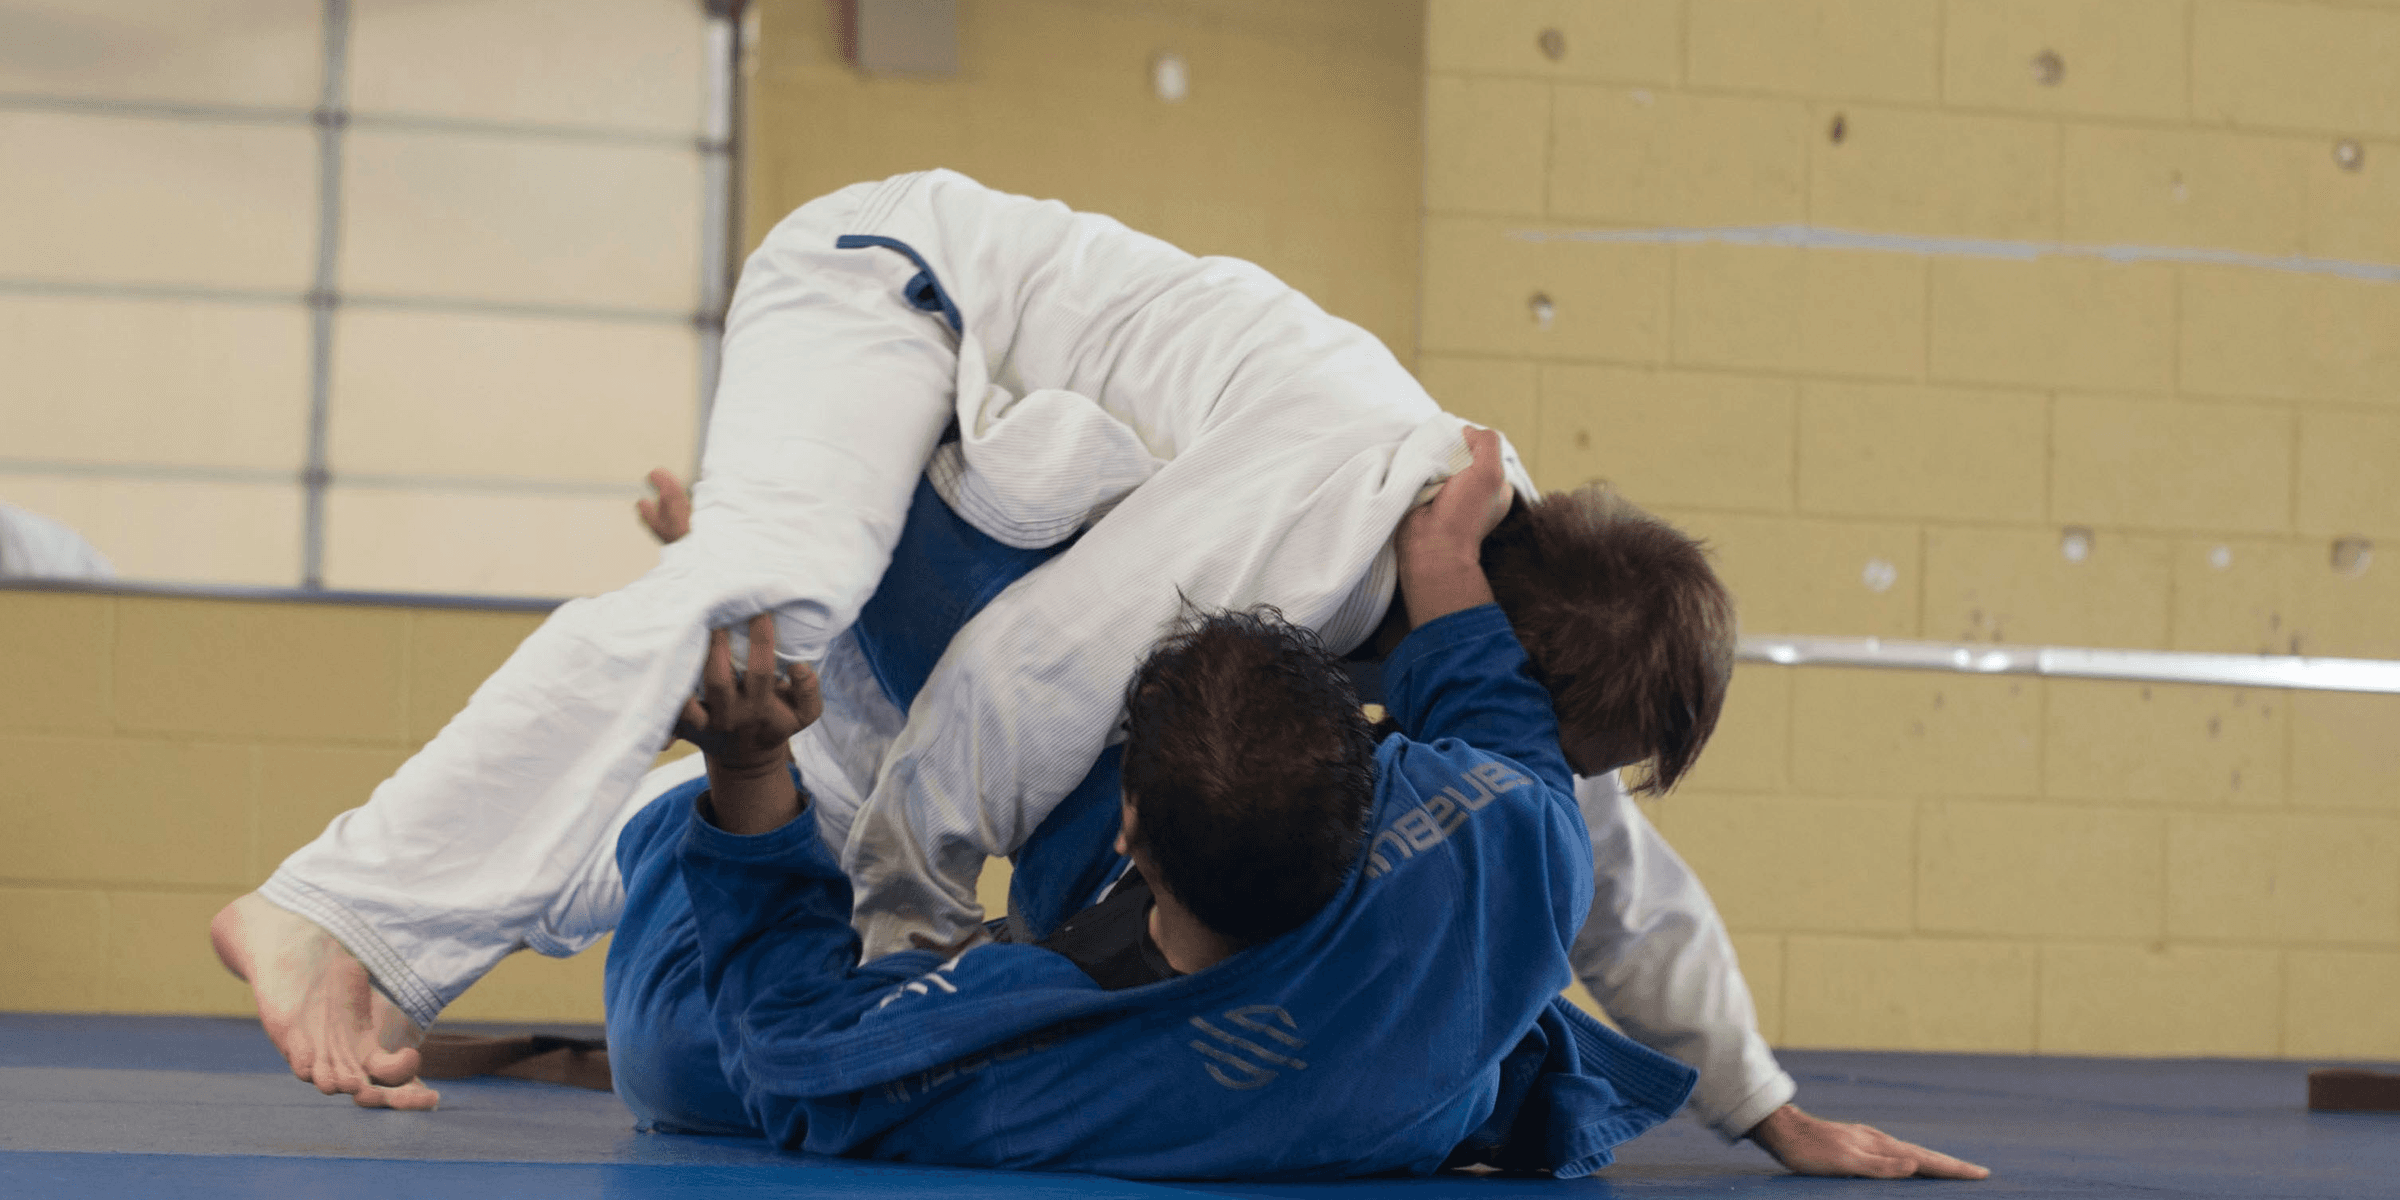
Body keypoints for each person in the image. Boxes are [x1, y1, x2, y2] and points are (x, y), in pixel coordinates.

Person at [212, 171, 1982, 1178]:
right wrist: (908, 961)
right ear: (1500, 646)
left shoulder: (1488, 641)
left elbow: (1603, 862)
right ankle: (339, 909)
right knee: (780, 591)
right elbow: (1011, 683)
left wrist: (1767, 1108)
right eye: (1544, 727)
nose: (1535, 760)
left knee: (792, 749)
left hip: (993, 478)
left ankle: (666, 803)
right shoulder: (1320, 511)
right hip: (889, 291)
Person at [598, 441, 1693, 1176]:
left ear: (1130, 831)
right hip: (1356, 1043)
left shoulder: (1064, 1059)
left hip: (995, 976)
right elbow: (1495, 702)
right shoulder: (1512, 836)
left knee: (683, 1060)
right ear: (1373, 781)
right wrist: (1449, 555)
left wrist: (746, 772)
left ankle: (668, 821)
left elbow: (788, 1054)